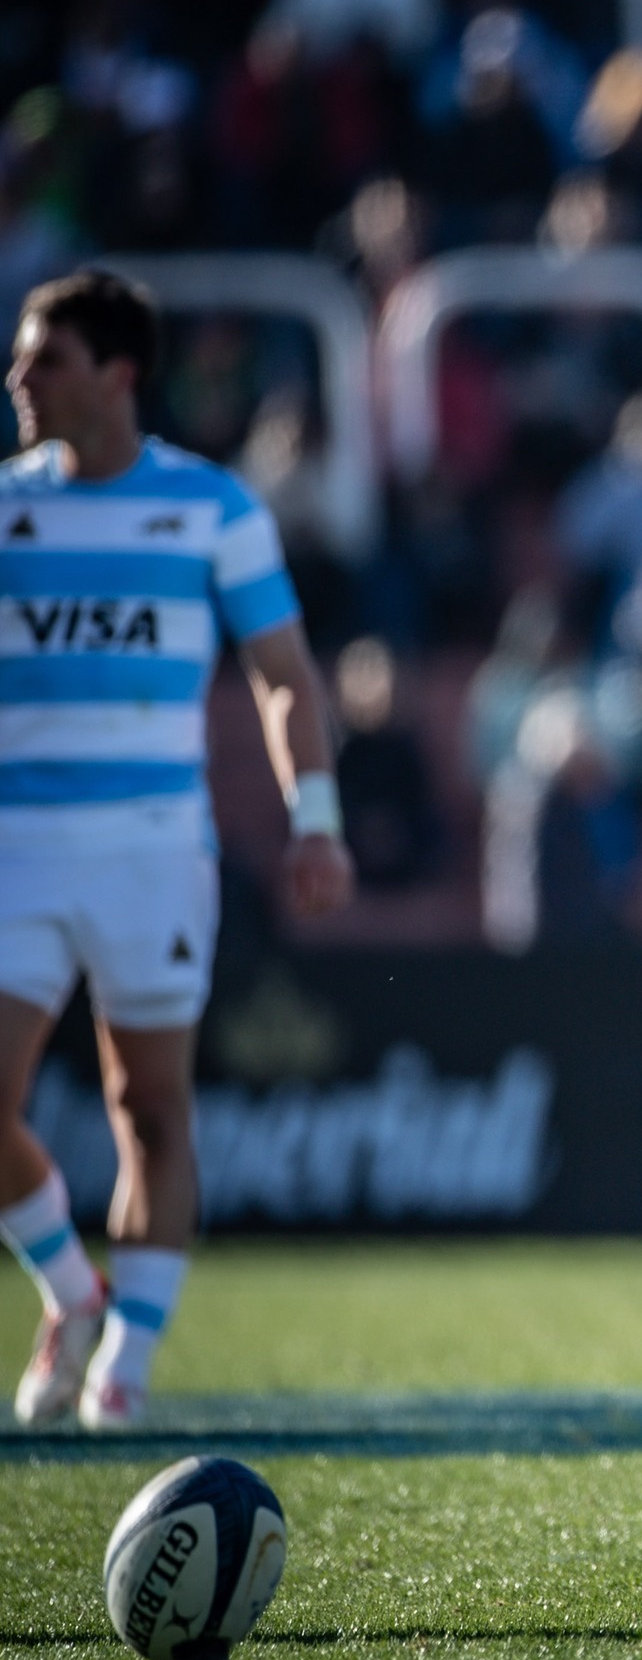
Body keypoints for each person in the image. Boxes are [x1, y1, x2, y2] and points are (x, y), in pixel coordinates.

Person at [0, 271, 354, 1429]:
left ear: (117, 374)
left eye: (46, 357)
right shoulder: (5, 507)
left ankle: (129, 1362)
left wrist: (315, 820)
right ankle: (74, 1292)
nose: (19, 377)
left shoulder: (211, 507)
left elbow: (283, 673)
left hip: (151, 848)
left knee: (150, 1109)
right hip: (16, 845)